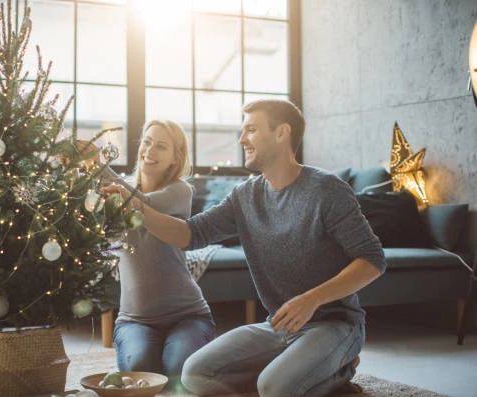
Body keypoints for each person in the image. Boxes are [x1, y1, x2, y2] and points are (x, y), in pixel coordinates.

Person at [105, 100, 386, 396]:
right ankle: (299, 375)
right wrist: (136, 206)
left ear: (282, 133)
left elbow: (372, 259)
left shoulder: (326, 189)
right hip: (277, 327)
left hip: (336, 326)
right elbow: (190, 234)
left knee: (273, 387)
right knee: (194, 373)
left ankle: (339, 371)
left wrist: (311, 299)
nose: (241, 140)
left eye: (251, 130)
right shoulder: (245, 196)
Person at [101, 119, 215, 391]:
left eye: (161, 146)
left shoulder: (179, 192)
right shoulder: (119, 188)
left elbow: (143, 204)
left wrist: (96, 164)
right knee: (141, 373)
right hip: (134, 320)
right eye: (147, 141)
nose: (149, 150)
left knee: (178, 372)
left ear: (175, 158)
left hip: (188, 315)